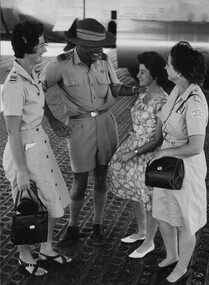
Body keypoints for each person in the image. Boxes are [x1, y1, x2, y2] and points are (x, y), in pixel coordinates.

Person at [42, 18, 145, 247]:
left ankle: (97, 224)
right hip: (78, 127)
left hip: (106, 123)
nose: (99, 51)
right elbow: (37, 92)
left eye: (100, 46)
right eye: (93, 47)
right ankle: (73, 225)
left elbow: (115, 88)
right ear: (79, 44)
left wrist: (139, 89)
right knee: (80, 181)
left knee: (101, 176)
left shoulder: (104, 62)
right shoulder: (60, 65)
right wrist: (51, 119)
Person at [2, 21, 72, 276]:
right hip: (25, 154)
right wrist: (21, 171)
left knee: (50, 200)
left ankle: (47, 248)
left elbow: (39, 107)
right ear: (27, 47)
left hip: (40, 146)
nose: (44, 48)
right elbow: (11, 131)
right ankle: (23, 255)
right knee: (28, 206)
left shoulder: (31, 74)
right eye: (41, 43)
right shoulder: (13, 84)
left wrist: (52, 122)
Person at [149, 41, 208, 285]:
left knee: (185, 221)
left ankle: (182, 267)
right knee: (162, 213)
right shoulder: (176, 90)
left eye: (170, 63)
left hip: (186, 167)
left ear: (180, 71)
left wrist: (164, 153)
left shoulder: (195, 102)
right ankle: (172, 255)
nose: (166, 66)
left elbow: (196, 146)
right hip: (168, 160)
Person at [108, 51, 168, 258]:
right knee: (134, 192)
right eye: (139, 71)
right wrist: (126, 146)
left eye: (143, 72)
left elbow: (157, 140)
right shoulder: (143, 94)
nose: (138, 75)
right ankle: (141, 231)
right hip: (133, 145)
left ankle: (150, 241)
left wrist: (132, 153)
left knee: (149, 198)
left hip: (148, 154)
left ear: (156, 75)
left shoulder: (163, 101)